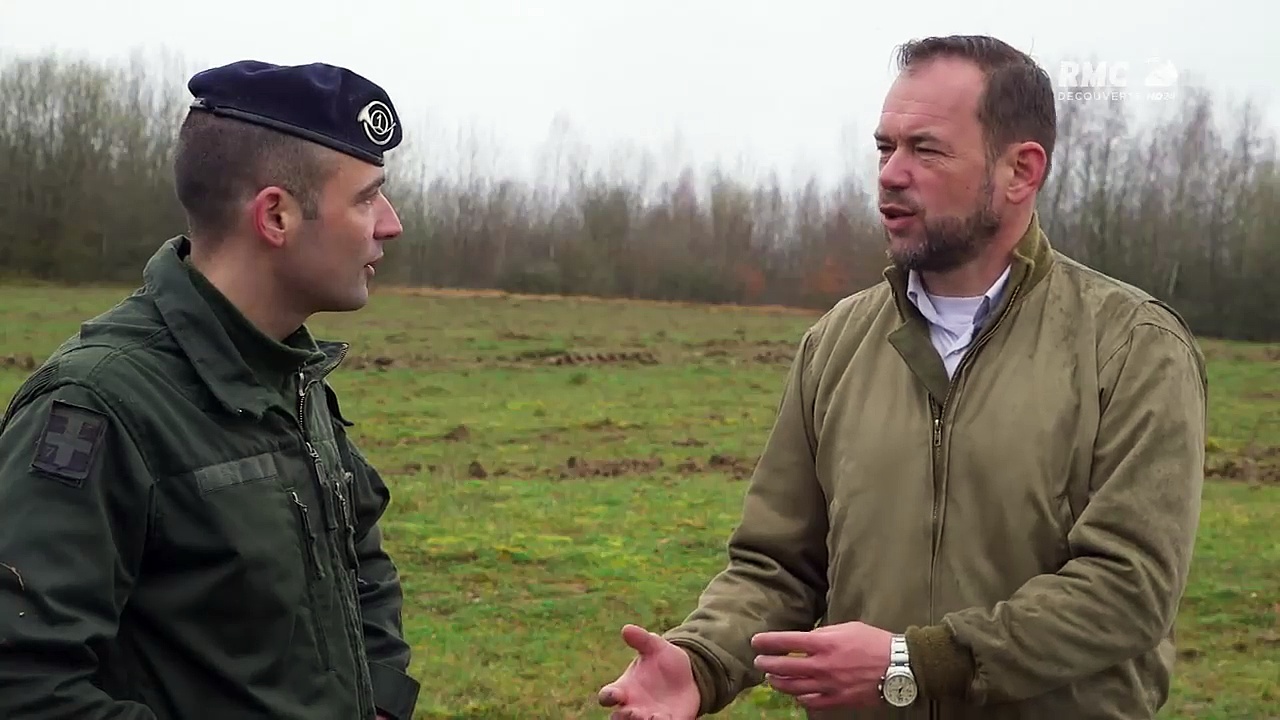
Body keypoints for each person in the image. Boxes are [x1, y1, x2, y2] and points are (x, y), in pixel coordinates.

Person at [597, 34, 1207, 720]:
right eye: (885, 147)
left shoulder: (1131, 346)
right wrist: (701, 661)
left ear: (1020, 171)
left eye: (926, 149)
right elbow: (778, 567)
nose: (890, 173)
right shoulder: (836, 344)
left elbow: (1129, 588)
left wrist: (917, 663)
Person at [0, 60, 420, 720]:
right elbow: (24, 683)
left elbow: (361, 564)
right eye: (367, 198)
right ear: (275, 215)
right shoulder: (95, 406)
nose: (390, 223)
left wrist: (383, 703)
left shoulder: (291, 377)